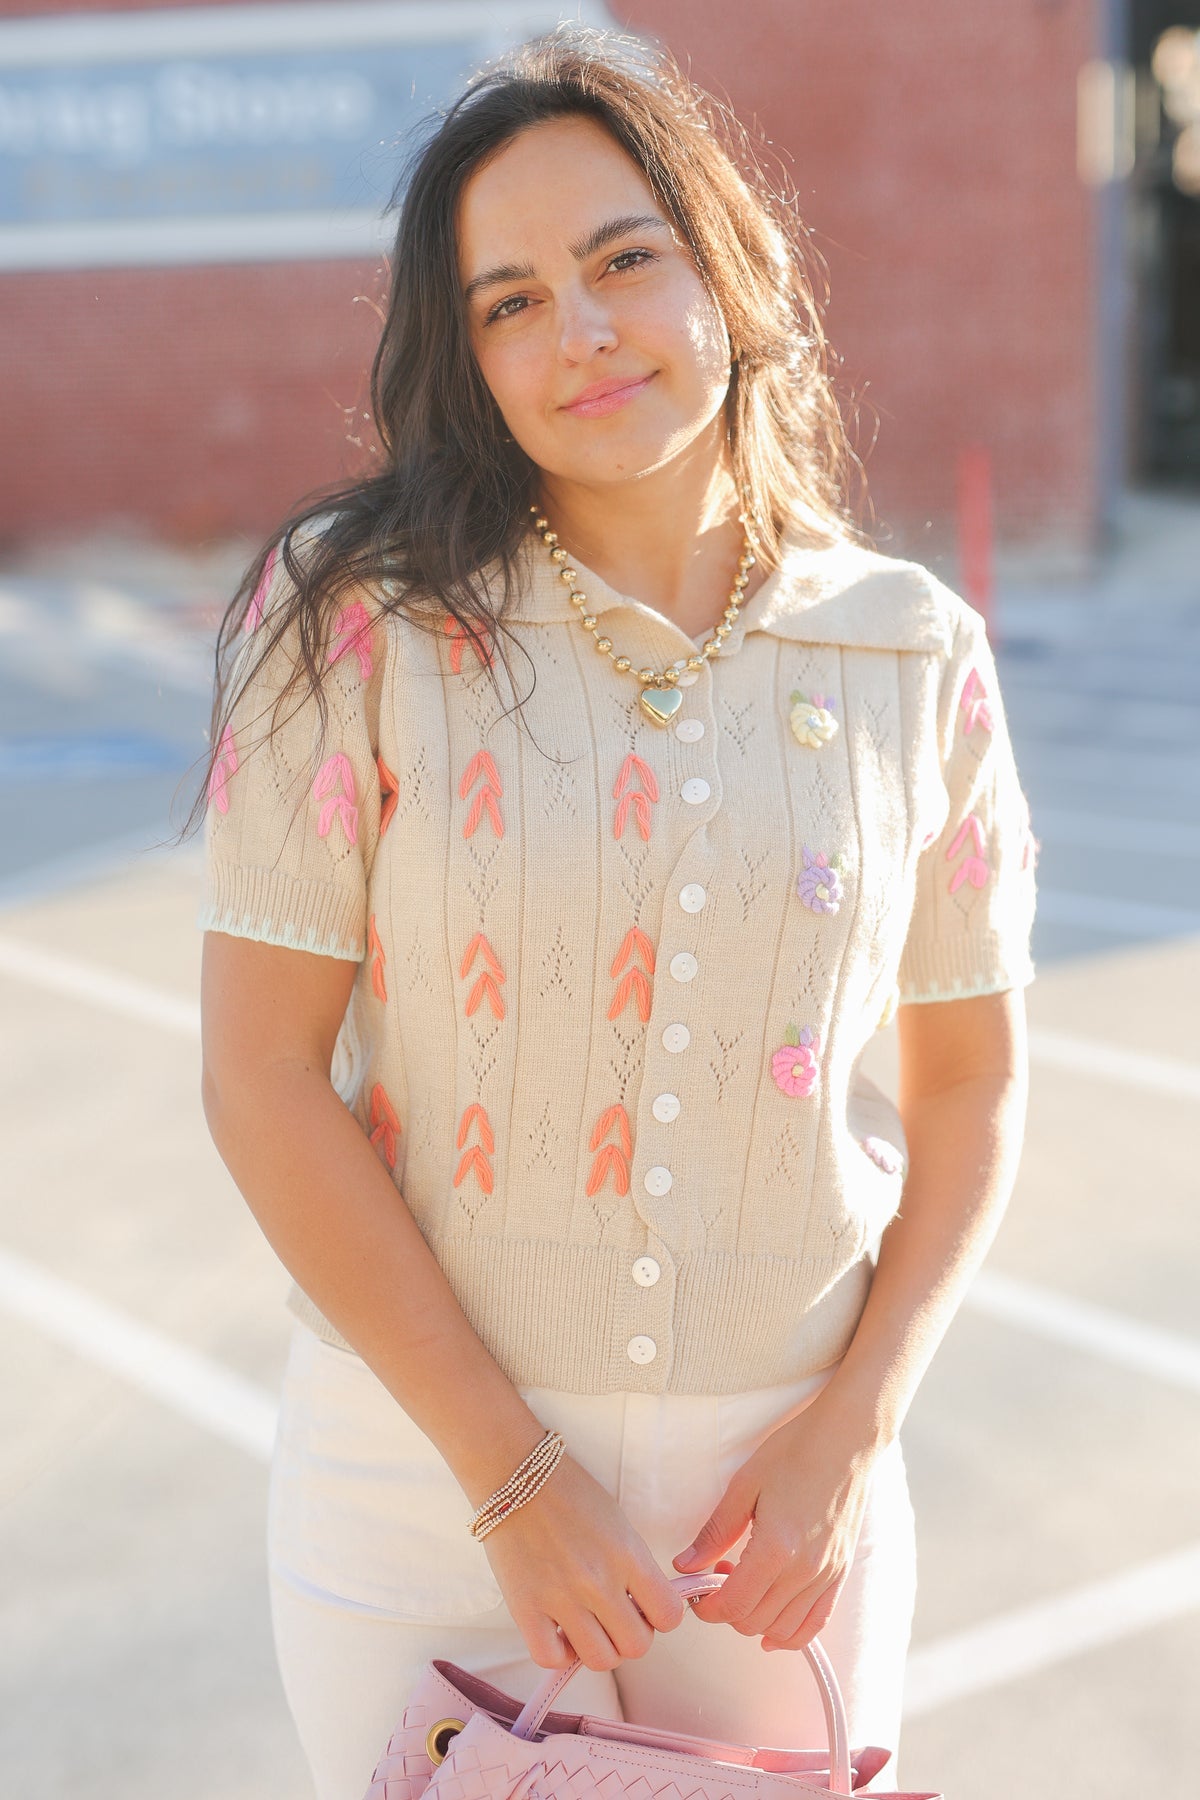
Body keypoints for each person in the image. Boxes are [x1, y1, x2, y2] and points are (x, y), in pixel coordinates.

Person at [190, 27, 1037, 1800]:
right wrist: (513, 1482)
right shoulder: (354, 620)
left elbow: (968, 1084)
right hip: (416, 1498)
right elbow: (263, 1077)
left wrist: (856, 1428)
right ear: (466, 361)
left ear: (724, 267)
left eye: (622, 259)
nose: (578, 330)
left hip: (780, 1526)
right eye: (508, 302)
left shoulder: (911, 652)